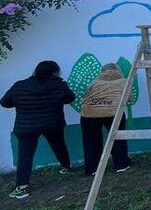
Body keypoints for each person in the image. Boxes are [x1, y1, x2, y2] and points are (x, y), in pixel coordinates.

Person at [1, 61, 74, 199]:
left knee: (25, 156)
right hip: (52, 122)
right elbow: (70, 98)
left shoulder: (19, 85)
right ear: (54, 72)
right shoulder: (59, 85)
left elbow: (5, 102)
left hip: (26, 126)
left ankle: (22, 187)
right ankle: (65, 167)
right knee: (59, 146)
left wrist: (21, 103)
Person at [80, 63, 132, 176]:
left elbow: (86, 96)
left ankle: (92, 169)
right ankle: (122, 164)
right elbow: (129, 97)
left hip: (89, 113)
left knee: (91, 141)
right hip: (113, 112)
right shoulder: (123, 81)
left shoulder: (94, 82)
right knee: (118, 137)